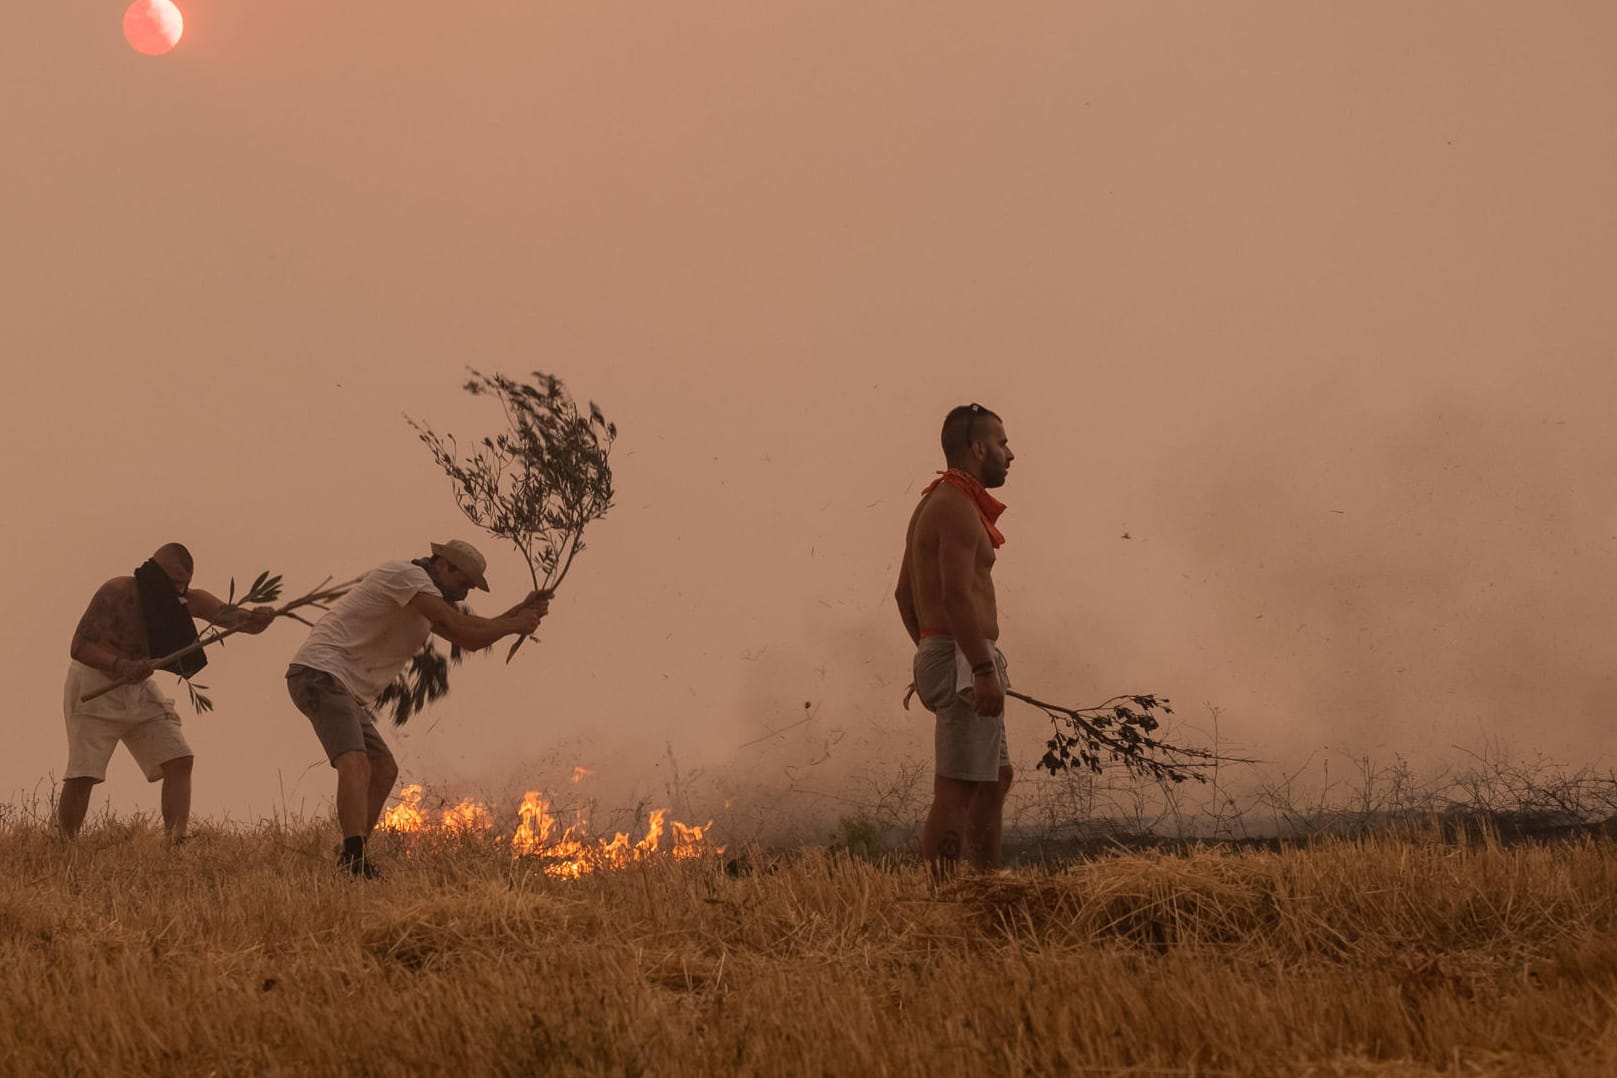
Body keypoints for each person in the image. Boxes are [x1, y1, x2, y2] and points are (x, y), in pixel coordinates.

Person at [284, 539, 546, 878]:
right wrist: (515, 624)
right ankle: (354, 859)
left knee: (383, 769)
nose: (464, 592)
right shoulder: (407, 576)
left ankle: (351, 853)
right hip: (321, 675)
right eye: (463, 583)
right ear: (442, 565)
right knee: (356, 762)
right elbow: (460, 627)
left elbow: (470, 639)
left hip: (342, 688)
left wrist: (519, 611)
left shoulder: (425, 600)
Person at [62, 542, 277, 841]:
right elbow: (79, 647)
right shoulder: (117, 592)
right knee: (84, 773)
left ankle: (175, 842)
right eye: (173, 582)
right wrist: (120, 664)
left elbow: (240, 622)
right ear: (154, 573)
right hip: (95, 685)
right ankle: (63, 844)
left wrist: (259, 619)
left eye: (184, 583)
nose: (179, 589)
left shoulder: (189, 600)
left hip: (139, 688)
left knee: (179, 759)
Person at [896, 403, 1017, 875]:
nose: (1010, 454)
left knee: (995, 778)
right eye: (1003, 443)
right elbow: (956, 594)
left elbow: (905, 594)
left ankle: (985, 886)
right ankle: (943, 900)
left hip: (953, 654)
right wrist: (977, 667)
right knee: (958, 789)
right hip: (966, 658)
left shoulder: (934, 501)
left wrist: (931, 652)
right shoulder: (954, 507)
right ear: (978, 447)